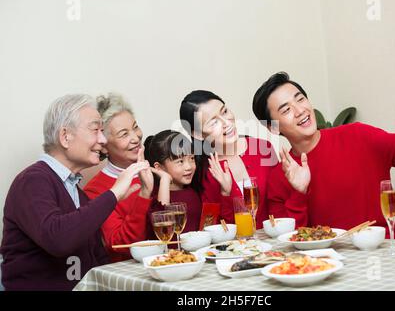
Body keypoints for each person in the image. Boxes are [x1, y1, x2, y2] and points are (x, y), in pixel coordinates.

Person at [252, 71, 395, 241]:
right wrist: (299, 193)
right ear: (273, 127)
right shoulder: (280, 177)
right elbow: (290, 240)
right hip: (337, 265)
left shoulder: (358, 136)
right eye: (286, 110)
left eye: (300, 99)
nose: (300, 110)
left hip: (394, 245)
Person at [0, 94, 149, 290]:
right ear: (65, 137)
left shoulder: (78, 193)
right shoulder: (32, 181)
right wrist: (113, 194)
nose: (103, 140)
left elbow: (97, 259)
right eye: (96, 130)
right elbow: (58, 239)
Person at [179, 90, 278, 229]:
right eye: (213, 122)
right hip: (237, 248)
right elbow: (210, 228)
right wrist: (225, 193)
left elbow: (280, 204)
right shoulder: (206, 171)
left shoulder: (263, 148)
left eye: (224, 111)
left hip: (277, 246)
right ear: (198, 134)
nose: (226, 122)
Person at [83, 94, 161, 262]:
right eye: (124, 134)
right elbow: (120, 246)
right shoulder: (95, 191)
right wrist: (144, 195)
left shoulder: (158, 169)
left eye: (135, 127)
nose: (136, 138)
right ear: (103, 146)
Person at [144, 130, 202, 236]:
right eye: (180, 161)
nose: (189, 167)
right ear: (159, 167)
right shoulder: (155, 196)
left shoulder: (193, 190)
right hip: (171, 252)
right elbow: (163, 227)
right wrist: (165, 179)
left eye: (192, 158)